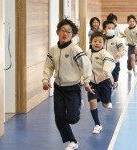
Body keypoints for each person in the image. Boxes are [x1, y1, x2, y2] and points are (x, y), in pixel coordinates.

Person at [42, 19, 94, 150]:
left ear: (73, 35)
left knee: (72, 118)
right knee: (59, 118)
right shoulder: (53, 50)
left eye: (69, 31)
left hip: (72, 88)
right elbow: (48, 66)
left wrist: (87, 82)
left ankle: (78, 103)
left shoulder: (74, 49)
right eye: (63, 30)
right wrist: (45, 80)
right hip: (59, 88)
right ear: (57, 32)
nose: (65, 33)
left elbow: (86, 65)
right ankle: (72, 141)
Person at [86, 31, 115, 134]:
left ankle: (107, 96)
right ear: (90, 42)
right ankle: (97, 125)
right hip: (92, 83)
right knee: (92, 103)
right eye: (95, 41)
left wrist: (105, 72)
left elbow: (110, 62)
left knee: (105, 105)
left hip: (104, 82)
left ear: (103, 43)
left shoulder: (105, 53)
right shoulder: (88, 53)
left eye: (100, 41)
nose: (97, 43)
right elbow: (83, 64)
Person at [103, 20, 127, 89]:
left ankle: (114, 85)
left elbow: (124, 50)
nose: (111, 30)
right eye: (109, 28)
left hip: (114, 63)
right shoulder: (101, 39)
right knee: (107, 82)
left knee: (114, 83)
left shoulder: (117, 40)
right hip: (104, 64)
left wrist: (120, 53)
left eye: (112, 28)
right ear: (104, 29)